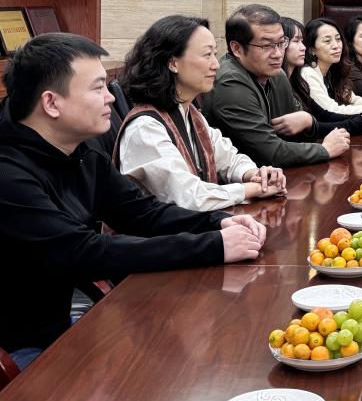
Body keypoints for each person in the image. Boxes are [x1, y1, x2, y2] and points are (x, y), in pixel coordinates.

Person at [0, 34, 266, 369]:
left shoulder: (81, 152)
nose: (111, 97)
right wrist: (214, 245)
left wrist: (218, 222)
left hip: (61, 326)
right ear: (52, 103)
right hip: (20, 348)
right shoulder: (8, 175)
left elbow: (141, 213)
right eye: (98, 88)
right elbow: (83, 252)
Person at [115, 15, 288, 211]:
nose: (216, 64)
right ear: (173, 63)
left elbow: (228, 158)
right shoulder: (145, 128)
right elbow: (189, 197)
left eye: (215, 54)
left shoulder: (190, 113)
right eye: (207, 55)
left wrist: (255, 174)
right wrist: (253, 189)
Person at [204, 4, 351, 167]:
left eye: (281, 43)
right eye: (267, 46)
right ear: (237, 48)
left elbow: (295, 133)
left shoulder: (277, 75)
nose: (278, 54)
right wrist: (324, 150)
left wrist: (309, 122)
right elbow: (271, 153)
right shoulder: (230, 82)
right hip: (244, 177)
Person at [280, 17, 362, 137]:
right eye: (296, 41)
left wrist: (360, 118)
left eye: (338, 39)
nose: (303, 47)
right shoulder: (304, 74)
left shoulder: (296, 80)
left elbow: (323, 114)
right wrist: (356, 124)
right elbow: (308, 130)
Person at [300, 18, 362, 116]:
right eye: (327, 41)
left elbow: (352, 100)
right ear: (311, 49)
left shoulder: (333, 71)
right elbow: (331, 110)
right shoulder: (308, 73)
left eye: (338, 39)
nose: (336, 45)